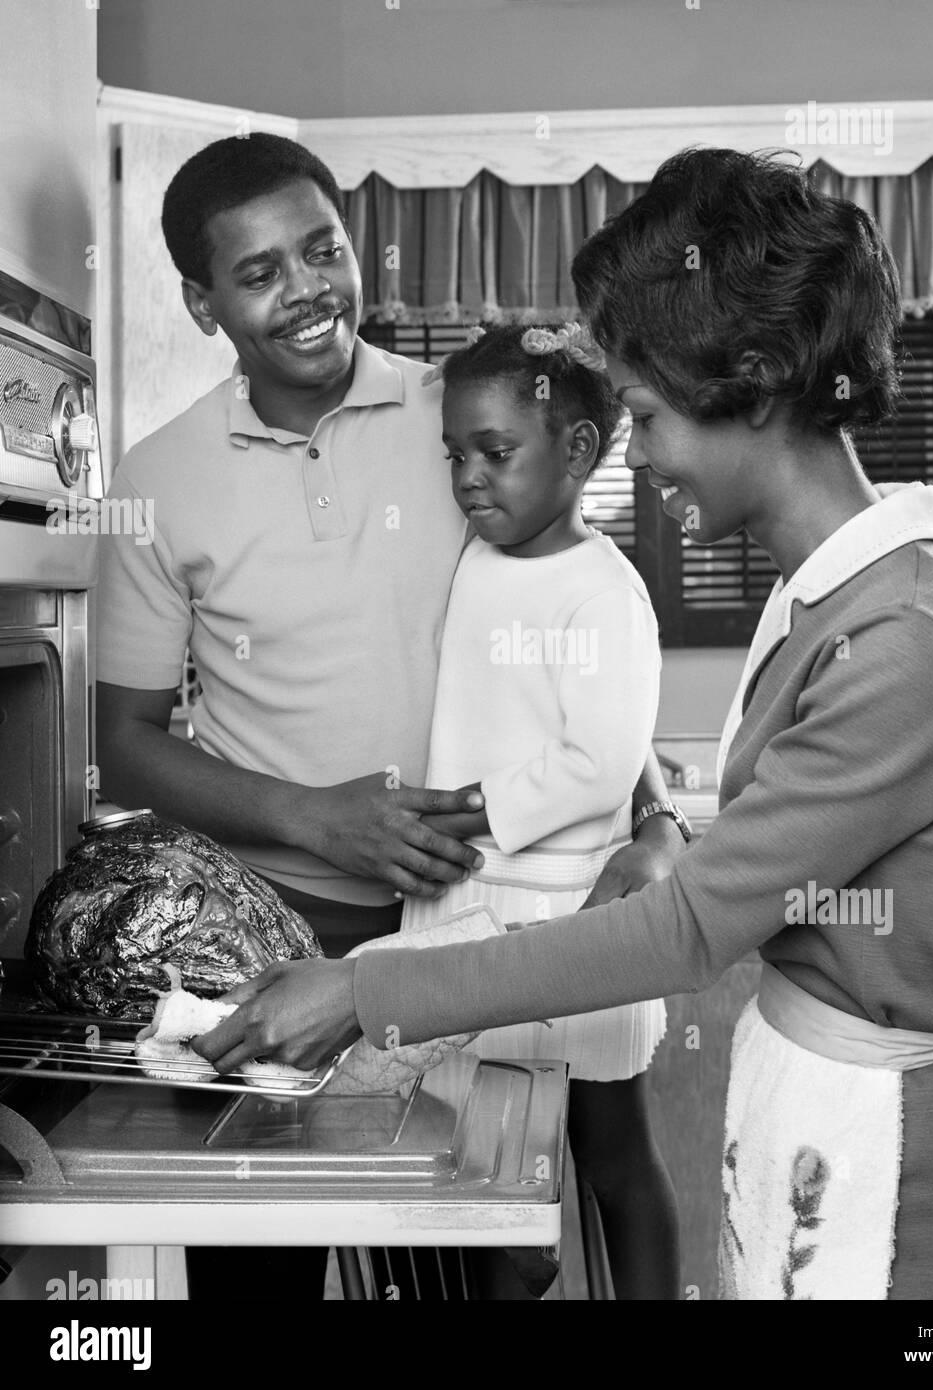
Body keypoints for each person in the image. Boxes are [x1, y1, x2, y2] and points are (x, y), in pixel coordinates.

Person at [196, 147, 933, 1300]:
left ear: (752, 377)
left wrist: (364, 990)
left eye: (644, 415)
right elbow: (772, 835)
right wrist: (657, 815)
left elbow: (688, 931)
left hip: (901, 1185)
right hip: (825, 1128)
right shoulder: (832, 597)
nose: (634, 455)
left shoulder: (908, 638)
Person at [95, 133, 688, 1299]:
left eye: (322, 248)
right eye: (259, 272)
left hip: (470, 922)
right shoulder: (153, 484)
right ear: (201, 304)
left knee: (471, 1246)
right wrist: (316, 818)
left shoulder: (458, 420)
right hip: (272, 932)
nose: (308, 288)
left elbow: (582, 634)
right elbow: (120, 740)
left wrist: (656, 817)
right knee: (257, 1266)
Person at [399, 322, 680, 1299]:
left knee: (614, 1164)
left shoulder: (605, 592)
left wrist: (459, 813)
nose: (470, 477)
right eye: (456, 456)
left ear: (578, 454)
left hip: (576, 919)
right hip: (472, 915)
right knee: (491, 1187)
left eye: (495, 452)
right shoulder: (481, 559)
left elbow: (601, 765)